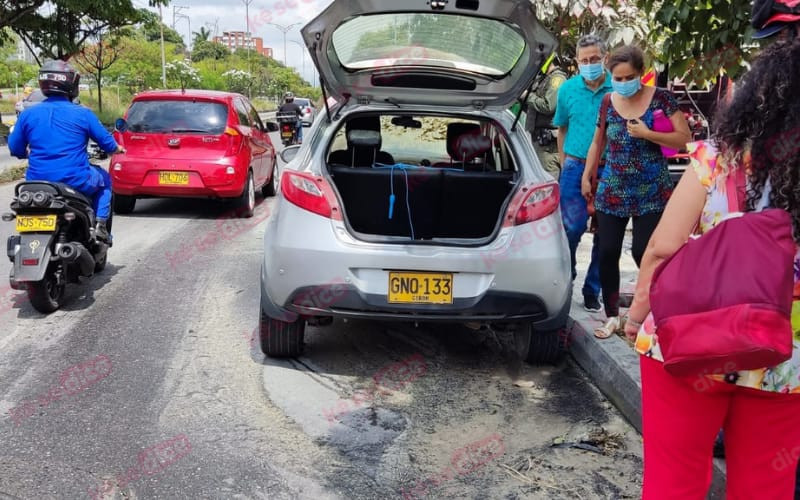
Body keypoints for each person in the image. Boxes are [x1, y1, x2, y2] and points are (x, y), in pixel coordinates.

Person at [623, 0, 800, 496]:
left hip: (688, 339)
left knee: (673, 481)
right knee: (766, 486)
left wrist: (636, 318)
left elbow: (661, 248)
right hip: (784, 355)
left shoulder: (716, 157)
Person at [580, 45, 690, 338]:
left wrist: (648, 133)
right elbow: (597, 141)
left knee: (645, 253)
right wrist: (587, 175)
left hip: (652, 190)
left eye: (629, 76)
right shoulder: (607, 101)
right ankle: (613, 315)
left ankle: (653, 312)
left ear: (641, 74)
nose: (623, 82)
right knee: (607, 252)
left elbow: (683, 139)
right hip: (613, 189)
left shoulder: (662, 99)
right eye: (617, 77)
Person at [8, 60, 123, 242]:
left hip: (36, 182)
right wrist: (118, 148)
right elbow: (108, 144)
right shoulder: (83, 114)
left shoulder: (27, 114)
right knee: (104, 180)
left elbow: (15, 148)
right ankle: (100, 226)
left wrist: (26, 153)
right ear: (72, 85)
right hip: (75, 180)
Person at [552, 34, 611, 313]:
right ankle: (569, 276)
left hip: (611, 168)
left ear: (605, 58)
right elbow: (561, 128)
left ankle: (592, 290)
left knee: (606, 234)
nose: (590, 64)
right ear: (577, 62)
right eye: (584, 60)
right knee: (571, 228)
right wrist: (565, 163)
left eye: (595, 59)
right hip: (574, 167)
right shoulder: (568, 89)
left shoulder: (618, 86)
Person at [525, 57, 568, 180]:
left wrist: (527, 96)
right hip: (539, 141)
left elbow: (549, 106)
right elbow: (534, 109)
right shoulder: (543, 79)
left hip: (549, 144)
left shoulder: (557, 79)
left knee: (548, 183)